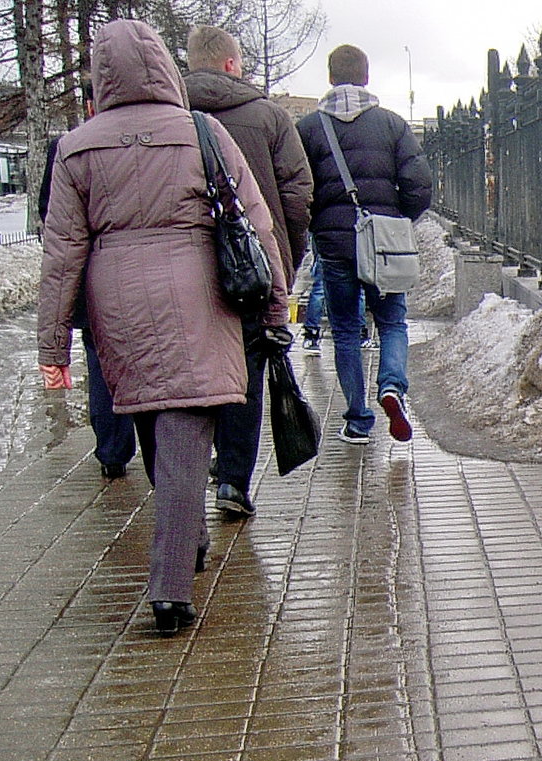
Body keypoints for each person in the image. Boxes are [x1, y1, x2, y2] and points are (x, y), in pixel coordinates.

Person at [37, 19, 289, 634]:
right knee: (184, 431)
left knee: (157, 425)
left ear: (102, 76)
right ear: (164, 69)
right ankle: (171, 586)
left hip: (117, 305)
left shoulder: (76, 148)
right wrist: (276, 304)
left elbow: (62, 250)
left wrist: (55, 345)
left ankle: (185, 537)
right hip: (199, 297)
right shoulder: (205, 132)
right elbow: (256, 222)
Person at [184, 25, 313, 517]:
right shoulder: (269, 116)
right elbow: (298, 196)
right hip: (253, 269)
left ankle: (187, 475)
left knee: (190, 373)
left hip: (184, 272)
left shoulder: (168, 117)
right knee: (247, 369)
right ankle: (233, 482)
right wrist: (285, 258)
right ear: (233, 64)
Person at [297, 44, 431, 444]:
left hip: (335, 243)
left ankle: (357, 419)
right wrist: (398, 217)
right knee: (391, 322)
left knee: (345, 330)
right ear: (367, 76)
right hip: (384, 243)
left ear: (330, 77)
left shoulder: (308, 129)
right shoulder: (391, 124)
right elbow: (419, 183)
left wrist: (316, 222)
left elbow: (298, 188)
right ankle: (391, 387)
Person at [38, 83, 136, 480]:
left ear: (92, 104)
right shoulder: (156, 137)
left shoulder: (68, 147)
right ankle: (161, 449)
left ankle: (113, 451)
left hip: (96, 277)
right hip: (150, 274)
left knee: (101, 362)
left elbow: (54, 219)